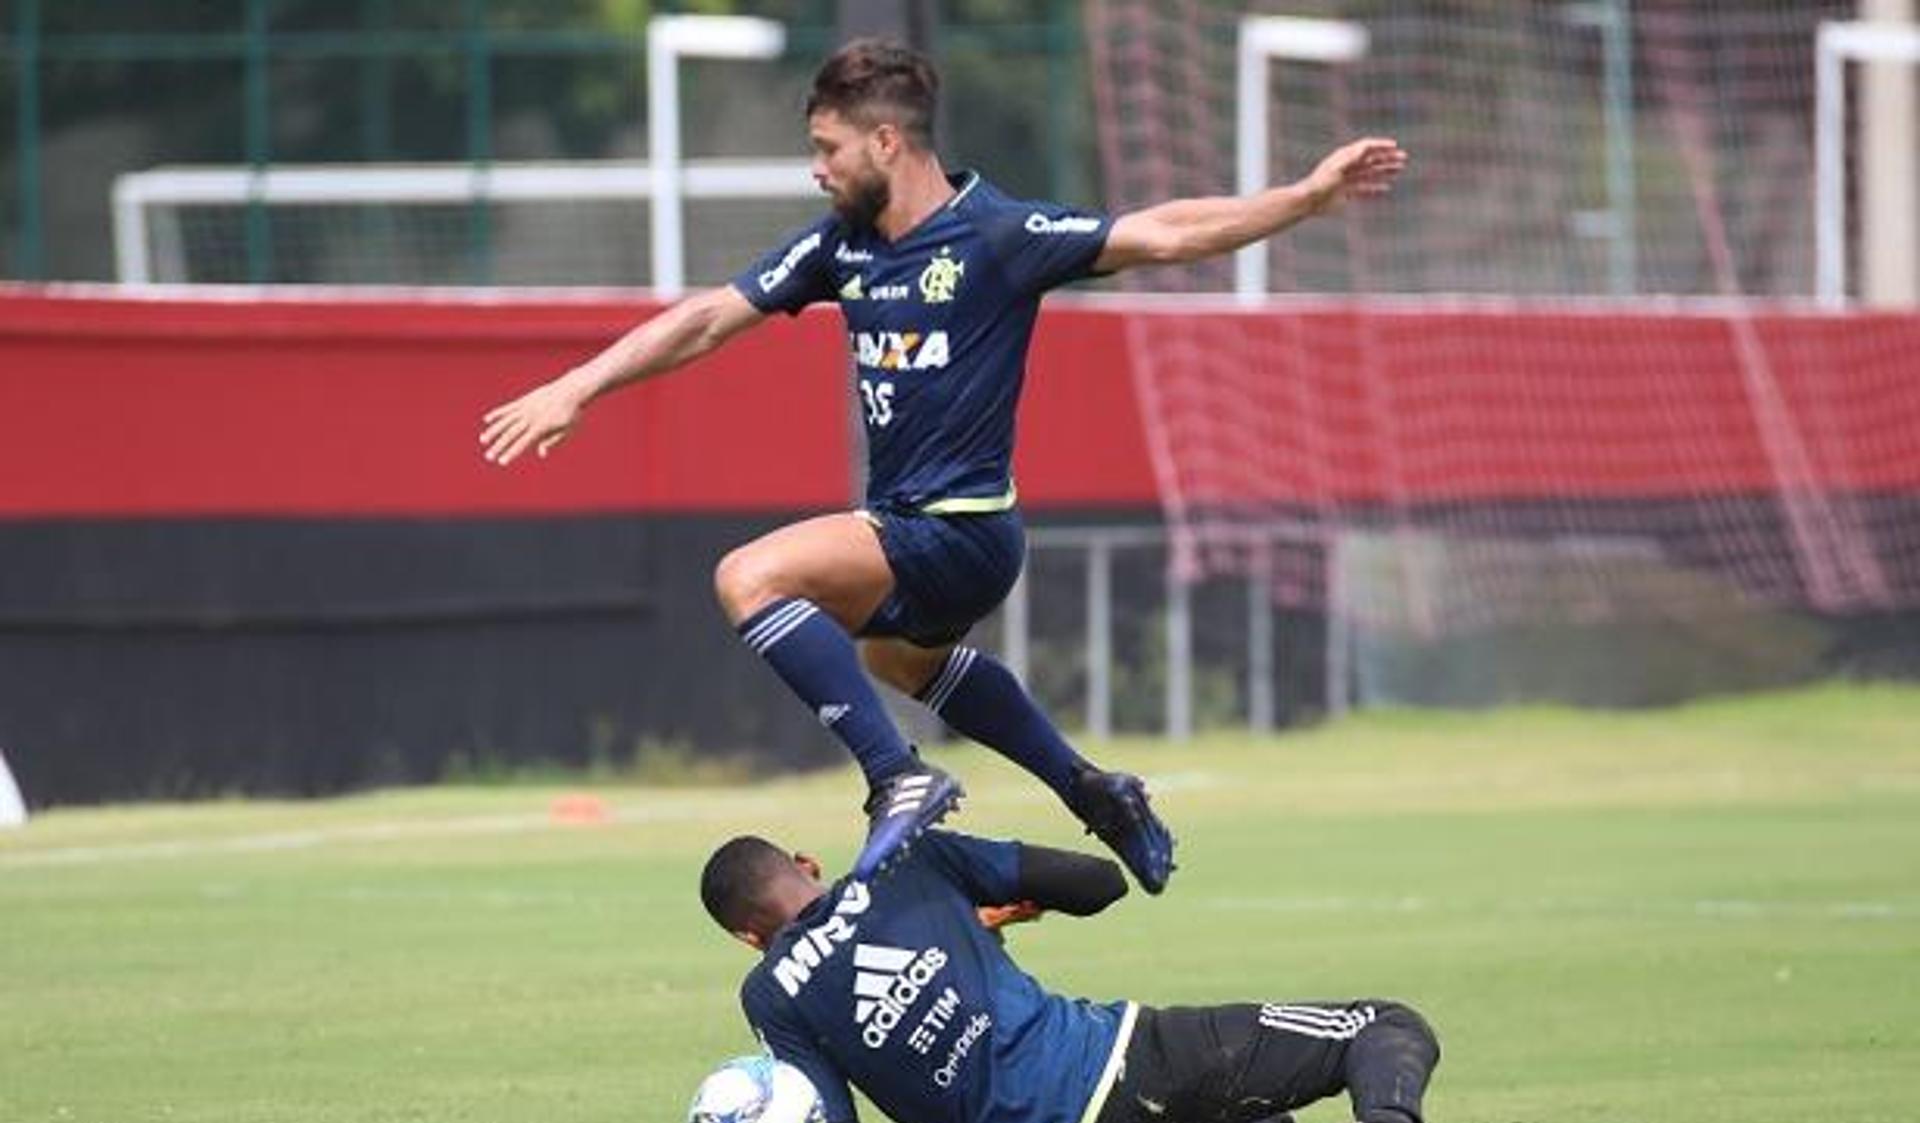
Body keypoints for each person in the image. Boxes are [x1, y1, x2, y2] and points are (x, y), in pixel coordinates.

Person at [482, 39, 1407, 888]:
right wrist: (580, 384)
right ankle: (1094, 792)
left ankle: (898, 778)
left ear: (885, 141)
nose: (817, 167)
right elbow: (707, 319)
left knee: (748, 577)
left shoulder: (996, 235)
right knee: (894, 655)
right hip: (928, 538)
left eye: (828, 147)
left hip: (954, 528)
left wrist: (1304, 198)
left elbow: (1164, 231)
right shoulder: (842, 247)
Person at [697, 829, 1465, 1123]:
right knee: (1383, 1024)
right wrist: (971, 909)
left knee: (1252, 1122)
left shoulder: (770, 994)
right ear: (806, 864)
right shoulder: (907, 861)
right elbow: (1098, 883)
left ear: (746, 938)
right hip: (1122, 1067)